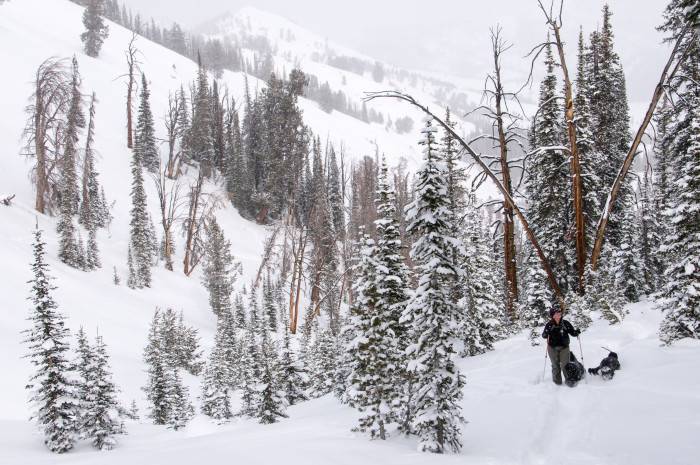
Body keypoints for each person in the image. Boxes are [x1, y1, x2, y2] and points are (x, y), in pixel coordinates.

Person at [542, 308, 580, 385]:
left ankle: (569, 380)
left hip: (564, 347)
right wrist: (546, 333)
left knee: (565, 365)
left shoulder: (565, 323)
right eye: (556, 313)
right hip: (552, 348)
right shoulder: (549, 325)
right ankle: (557, 383)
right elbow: (544, 335)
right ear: (552, 315)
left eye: (559, 313)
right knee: (555, 365)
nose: (559, 315)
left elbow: (572, 332)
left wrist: (576, 332)